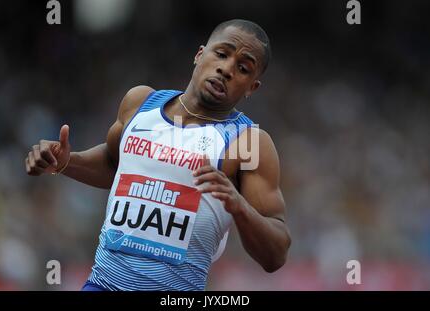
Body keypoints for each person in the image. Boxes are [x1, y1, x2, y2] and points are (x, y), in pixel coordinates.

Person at [25, 19, 291, 291]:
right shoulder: (140, 103)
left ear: (251, 88)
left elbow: (276, 254)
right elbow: (114, 163)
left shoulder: (248, 142)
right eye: (221, 54)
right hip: (103, 285)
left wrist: (239, 206)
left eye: (243, 68)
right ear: (200, 55)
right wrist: (67, 162)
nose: (226, 69)